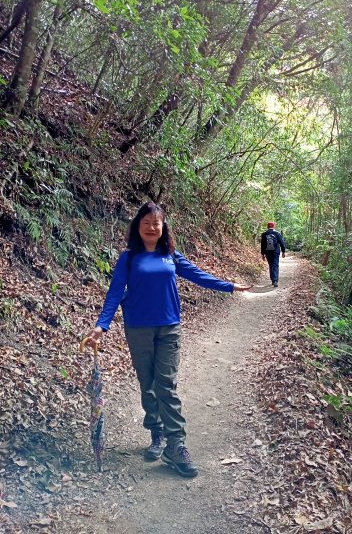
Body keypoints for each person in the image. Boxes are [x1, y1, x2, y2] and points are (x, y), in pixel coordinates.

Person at [82, 202, 251, 478]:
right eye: (146, 222)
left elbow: (198, 275)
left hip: (169, 328)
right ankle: (156, 432)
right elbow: (114, 294)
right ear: (138, 226)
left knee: (166, 386)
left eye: (156, 223)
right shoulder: (129, 258)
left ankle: (176, 445)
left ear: (163, 228)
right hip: (138, 329)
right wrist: (102, 326)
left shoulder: (170, 255)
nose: (151, 227)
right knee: (147, 384)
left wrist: (229, 286)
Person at [260, 221, 286, 287]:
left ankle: (272, 280)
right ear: (273, 226)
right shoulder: (277, 233)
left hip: (267, 252)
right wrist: (283, 251)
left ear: (267, 227)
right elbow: (282, 243)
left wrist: (262, 254)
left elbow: (262, 245)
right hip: (275, 252)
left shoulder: (264, 234)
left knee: (271, 265)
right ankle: (275, 280)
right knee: (275, 265)